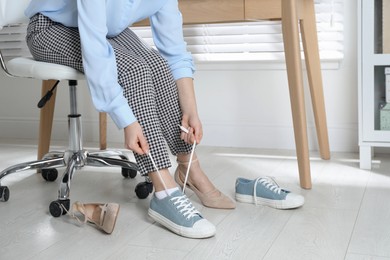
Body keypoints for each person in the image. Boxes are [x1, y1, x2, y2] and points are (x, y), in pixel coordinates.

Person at [24, 0, 236, 239]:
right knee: (135, 70)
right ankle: (164, 192)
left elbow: (174, 52)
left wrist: (191, 110)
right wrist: (127, 120)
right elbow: (97, 54)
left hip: (109, 30)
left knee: (157, 64)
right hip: (51, 27)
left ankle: (190, 168)